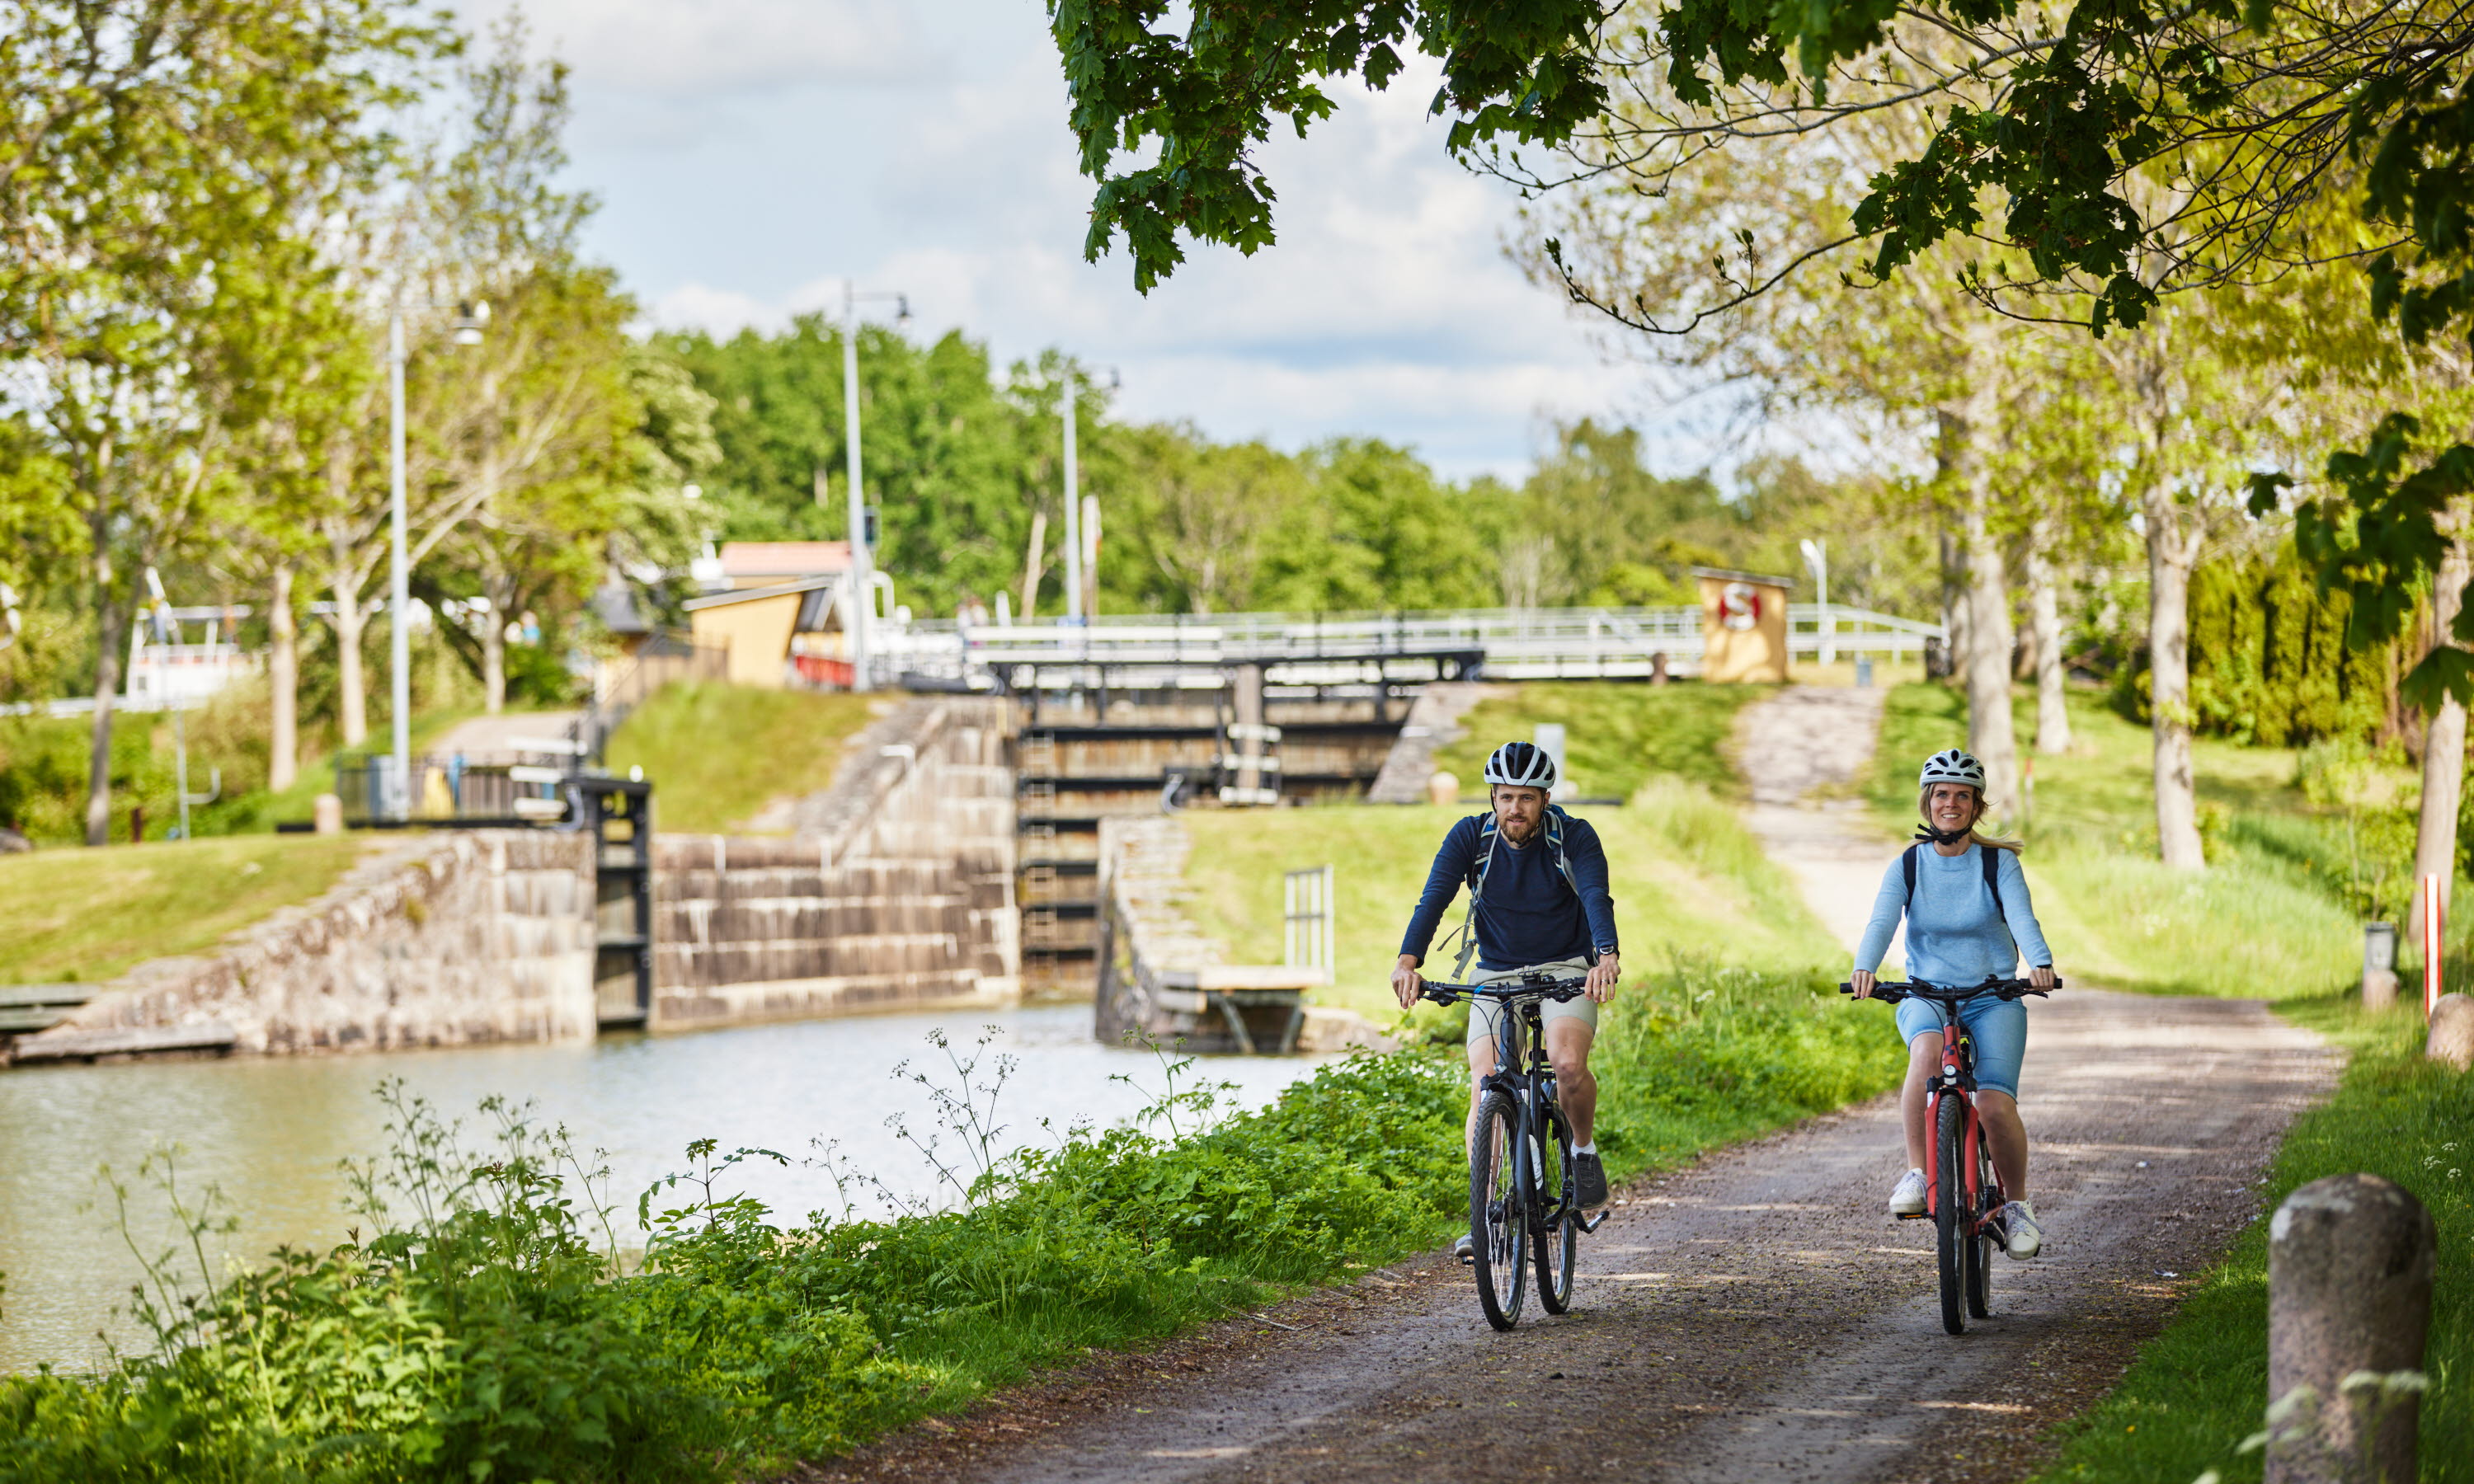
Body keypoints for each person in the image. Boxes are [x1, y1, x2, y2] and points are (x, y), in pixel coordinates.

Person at [1392, 740, 1621, 1256]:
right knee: (1487, 1080)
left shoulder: (1574, 837)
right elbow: (1435, 897)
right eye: (1505, 797)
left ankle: (1582, 1152)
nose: (1515, 808)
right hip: (1496, 971)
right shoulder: (1470, 837)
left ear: (1544, 800)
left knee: (1564, 1063)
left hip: (1566, 967)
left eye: (1526, 798)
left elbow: (1594, 895)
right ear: (1492, 797)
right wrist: (1408, 961)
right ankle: (1488, 1212)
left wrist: (1605, 955)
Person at [1850, 749, 2059, 1259]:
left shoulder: (1997, 863)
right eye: (1942, 794)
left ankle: (2016, 1206)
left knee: (1991, 1102)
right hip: (1927, 994)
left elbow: (2022, 918)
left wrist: (2040, 962)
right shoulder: (1908, 863)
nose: (1951, 803)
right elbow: (1882, 922)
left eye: (1962, 796)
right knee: (1924, 1058)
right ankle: (1920, 1174)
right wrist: (1865, 967)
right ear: (1927, 802)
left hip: (1994, 998)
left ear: (1975, 806)